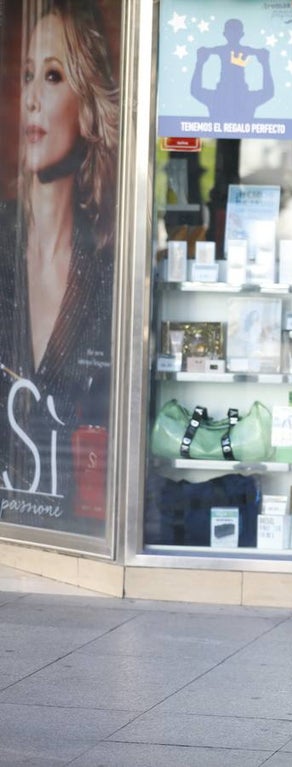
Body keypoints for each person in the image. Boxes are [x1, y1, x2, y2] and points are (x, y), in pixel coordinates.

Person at [0, 0, 119, 525]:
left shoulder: (112, 267)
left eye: (52, 76)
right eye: (28, 76)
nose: (30, 99)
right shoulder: (4, 241)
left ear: (88, 105)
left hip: (79, 523)